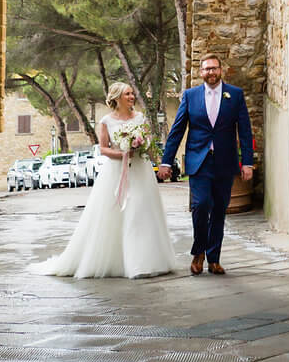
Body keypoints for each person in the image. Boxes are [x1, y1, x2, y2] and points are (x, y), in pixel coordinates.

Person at [30, 82, 178, 279]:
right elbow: (103, 148)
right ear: (117, 98)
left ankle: (147, 261)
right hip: (116, 172)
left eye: (132, 94)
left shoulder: (140, 118)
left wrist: (155, 161)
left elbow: (148, 144)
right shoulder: (107, 121)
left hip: (140, 171)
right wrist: (123, 153)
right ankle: (122, 262)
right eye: (127, 94)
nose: (132, 97)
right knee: (117, 213)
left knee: (142, 211)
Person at [158, 53, 254, 275]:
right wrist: (166, 161)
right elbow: (177, 130)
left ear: (221, 70)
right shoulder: (191, 96)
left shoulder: (235, 95)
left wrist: (247, 162)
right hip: (199, 161)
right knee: (200, 206)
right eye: (206, 69)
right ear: (200, 73)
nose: (210, 72)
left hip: (225, 161)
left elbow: (246, 131)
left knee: (219, 210)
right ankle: (198, 252)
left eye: (214, 68)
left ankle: (214, 259)